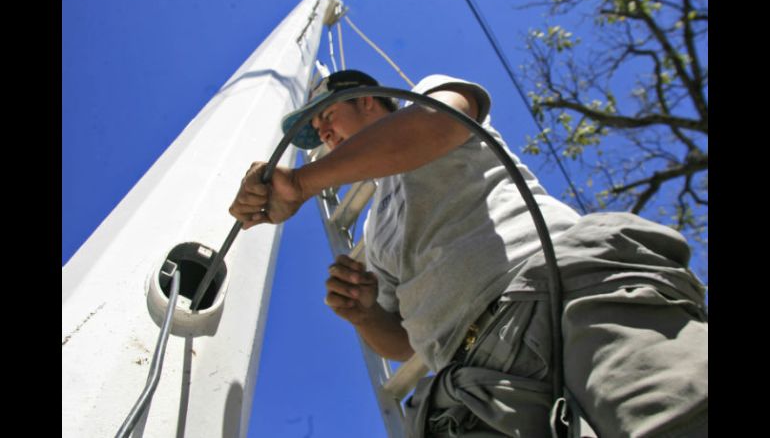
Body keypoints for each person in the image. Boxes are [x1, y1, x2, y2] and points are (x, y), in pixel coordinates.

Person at [229, 70, 708, 437]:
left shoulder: (427, 100)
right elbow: (402, 344)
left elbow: (437, 123)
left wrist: (299, 183)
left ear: (368, 100)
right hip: (472, 386)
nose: (322, 132)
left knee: (674, 421)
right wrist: (364, 313)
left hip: (563, 298)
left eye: (327, 116)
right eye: (314, 128)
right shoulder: (375, 231)